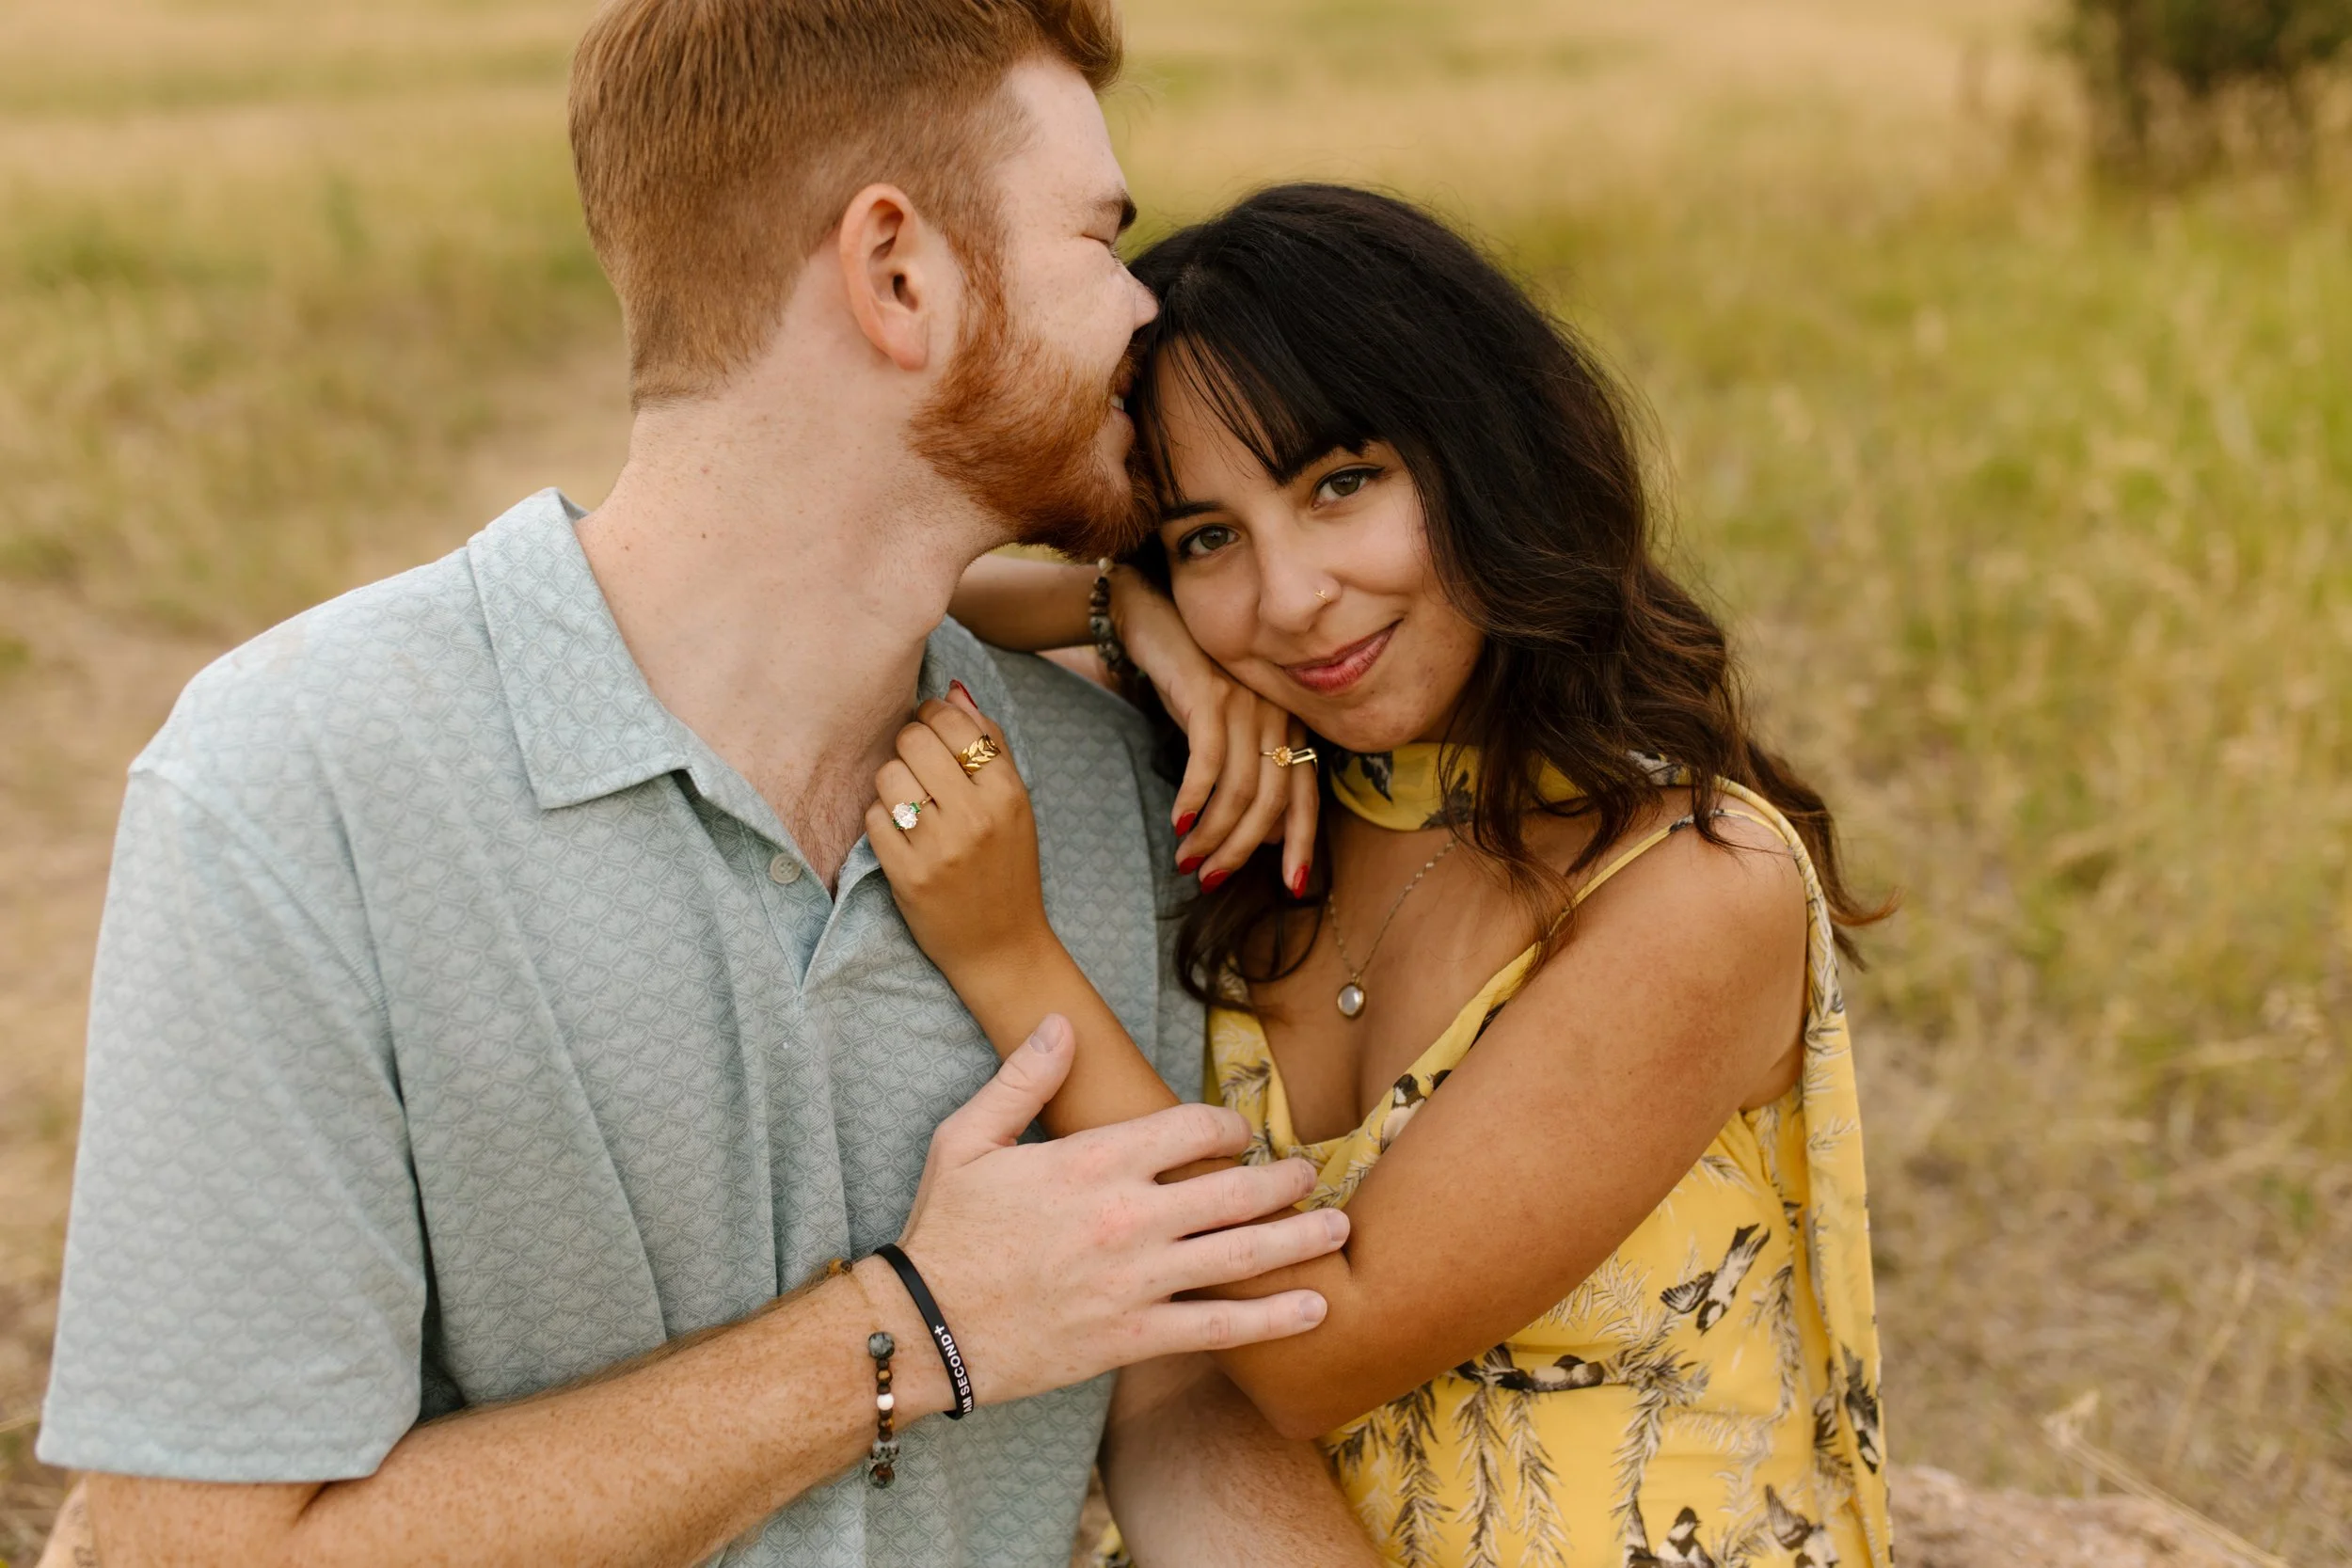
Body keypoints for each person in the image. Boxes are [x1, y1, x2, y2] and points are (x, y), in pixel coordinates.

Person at [33, 8, 1389, 1567]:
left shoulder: (1097, 784)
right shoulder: (298, 788)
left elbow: (1170, 1412)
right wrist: (912, 1328)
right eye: (1102, 237)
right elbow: (189, 1551)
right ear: (899, 274)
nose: (1147, 310)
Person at [892, 183, 1896, 1568]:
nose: (1292, 596)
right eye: (1207, 537)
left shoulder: (1695, 888)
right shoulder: (1277, 786)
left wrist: (1011, 958)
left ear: (1485, 454)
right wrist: (1128, 615)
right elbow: (887, 590)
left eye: (1340, 484)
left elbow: (1318, 1344)